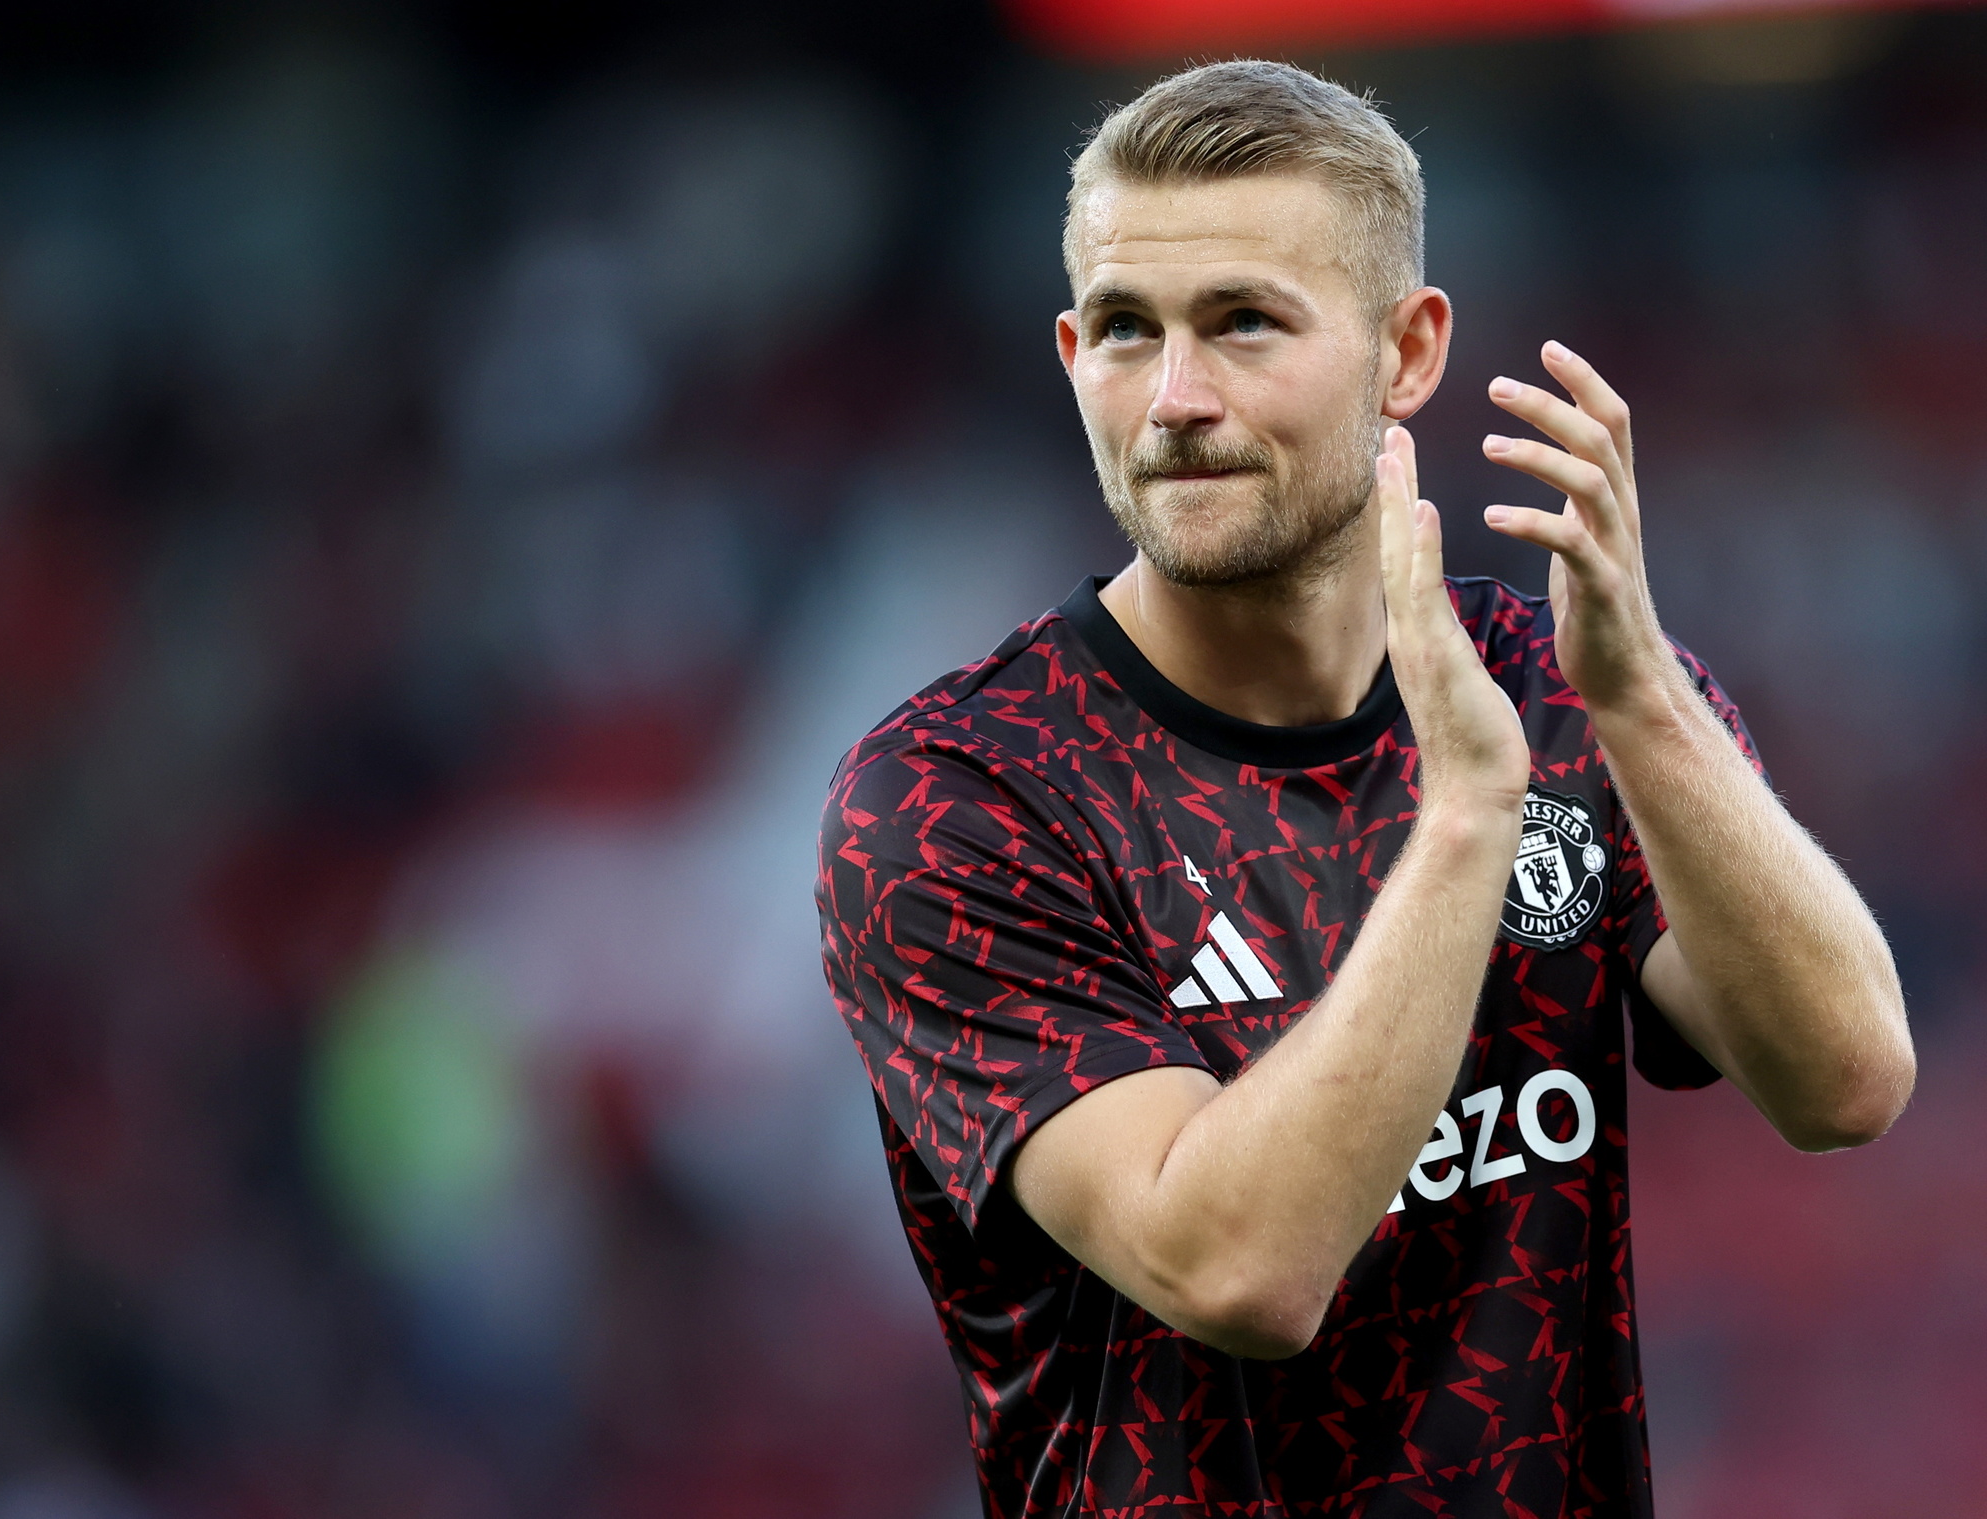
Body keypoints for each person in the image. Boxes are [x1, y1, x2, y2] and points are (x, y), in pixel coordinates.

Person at [815, 60, 1913, 1518]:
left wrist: (1638, 693)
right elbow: (1241, 1269)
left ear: (1408, 352)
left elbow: (1845, 1081)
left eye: (1247, 323)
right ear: (1072, 352)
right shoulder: (964, 798)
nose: (1177, 399)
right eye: (1129, 332)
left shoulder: (1573, 690)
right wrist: (1465, 820)